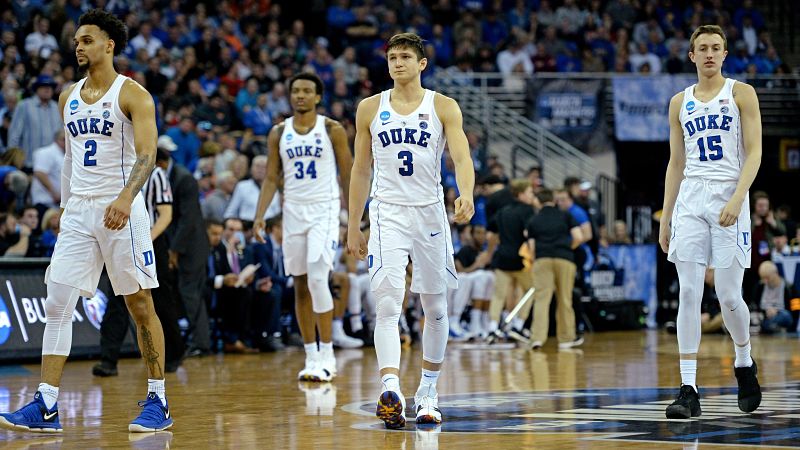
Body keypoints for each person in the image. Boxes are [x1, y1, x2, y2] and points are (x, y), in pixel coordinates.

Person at [0, 9, 172, 433]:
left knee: (139, 303)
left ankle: (158, 400)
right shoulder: (67, 96)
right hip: (79, 210)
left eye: (87, 39)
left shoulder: (133, 94)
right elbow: (71, 158)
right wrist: (63, 204)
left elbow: (147, 155)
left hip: (122, 209)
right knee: (57, 302)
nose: (78, 46)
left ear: (109, 45)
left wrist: (126, 197)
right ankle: (47, 405)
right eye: (76, 40)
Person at [347, 32, 475, 429]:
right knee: (387, 303)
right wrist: (353, 223)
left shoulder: (443, 105)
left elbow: (461, 155)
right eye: (392, 57)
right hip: (387, 213)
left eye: (405, 57)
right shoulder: (369, 108)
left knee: (434, 307)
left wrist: (466, 193)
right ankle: (390, 388)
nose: (397, 63)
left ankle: (428, 392)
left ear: (422, 63)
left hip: (430, 213)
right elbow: (360, 169)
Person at [659, 24, 762, 420]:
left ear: (724, 54)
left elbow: (754, 153)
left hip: (728, 193)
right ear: (691, 55)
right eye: (702, 48)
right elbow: (675, 163)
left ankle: (743, 360)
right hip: (690, 198)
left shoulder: (741, 93)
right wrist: (666, 217)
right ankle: (688, 388)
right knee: (688, 292)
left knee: (729, 296)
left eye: (716, 48)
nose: (708, 54)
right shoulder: (678, 102)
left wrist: (739, 197)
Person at [252, 72, 353, 382]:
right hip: (292, 212)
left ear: (318, 97)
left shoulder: (332, 129)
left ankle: (328, 356)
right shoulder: (278, 132)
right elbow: (271, 177)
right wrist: (260, 215)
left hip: (324, 210)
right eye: (296, 91)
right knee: (300, 283)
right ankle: (311, 356)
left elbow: (348, 174)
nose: (300, 96)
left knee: (318, 276)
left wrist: (354, 218)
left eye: (307, 91)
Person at [526, 188, 583, 350]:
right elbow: (579, 237)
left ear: (538, 201)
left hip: (542, 259)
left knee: (542, 299)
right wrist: (566, 248)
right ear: (553, 200)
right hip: (564, 258)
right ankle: (566, 339)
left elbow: (531, 249)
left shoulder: (534, 220)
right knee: (565, 299)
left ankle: (537, 338)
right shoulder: (566, 215)